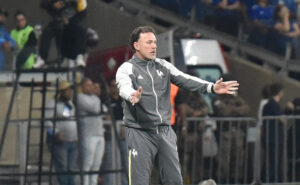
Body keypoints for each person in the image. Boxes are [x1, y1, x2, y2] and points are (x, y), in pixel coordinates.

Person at [115, 26, 239, 185]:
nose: (153, 46)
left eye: (154, 42)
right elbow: (123, 86)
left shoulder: (163, 66)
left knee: (174, 179)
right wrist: (131, 94)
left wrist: (211, 87)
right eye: (148, 42)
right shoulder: (126, 68)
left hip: (165, 130)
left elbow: (186, 79)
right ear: (136, 46)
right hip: (141, 131)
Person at [35, 0, 87, 68]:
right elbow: (43, 4)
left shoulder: (81, 1)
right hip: (58, 22)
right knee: (46, 32)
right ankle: (42, 58)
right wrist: (53, 5)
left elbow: (82, 15)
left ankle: (79, 57)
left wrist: (70, 21)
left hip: (71, 23)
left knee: (80, 30)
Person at [45, 80, 78, 185]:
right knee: (62, 168)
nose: (69, 92)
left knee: (71, 169)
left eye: (70, 90)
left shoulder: (70, 104)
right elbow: (46, 122)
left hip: (72, 141)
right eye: (67, 90)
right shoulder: (53, 103)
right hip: (59, 143)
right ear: (61, 92)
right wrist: (55, 133)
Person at [77, 78, 105, 185]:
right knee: (87, 164)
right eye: (88, 85)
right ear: (82, 87)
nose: (91, 88)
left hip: (99, 133)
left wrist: (97, 97)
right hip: (88, 135)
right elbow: (94, 108)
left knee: (96, 165)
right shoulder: (80, 97)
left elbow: (103, 110)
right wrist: (97, 96)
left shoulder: (95, 98)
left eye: (91, 85)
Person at [262, 82, 285, 182]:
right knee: (272, 162)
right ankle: (265, 180)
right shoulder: (271, 104)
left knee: (275, 162)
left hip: (276, 138)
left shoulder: (273, 105)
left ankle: (277, 180)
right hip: (272, 138)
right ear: (279, 92)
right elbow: (281, 118)